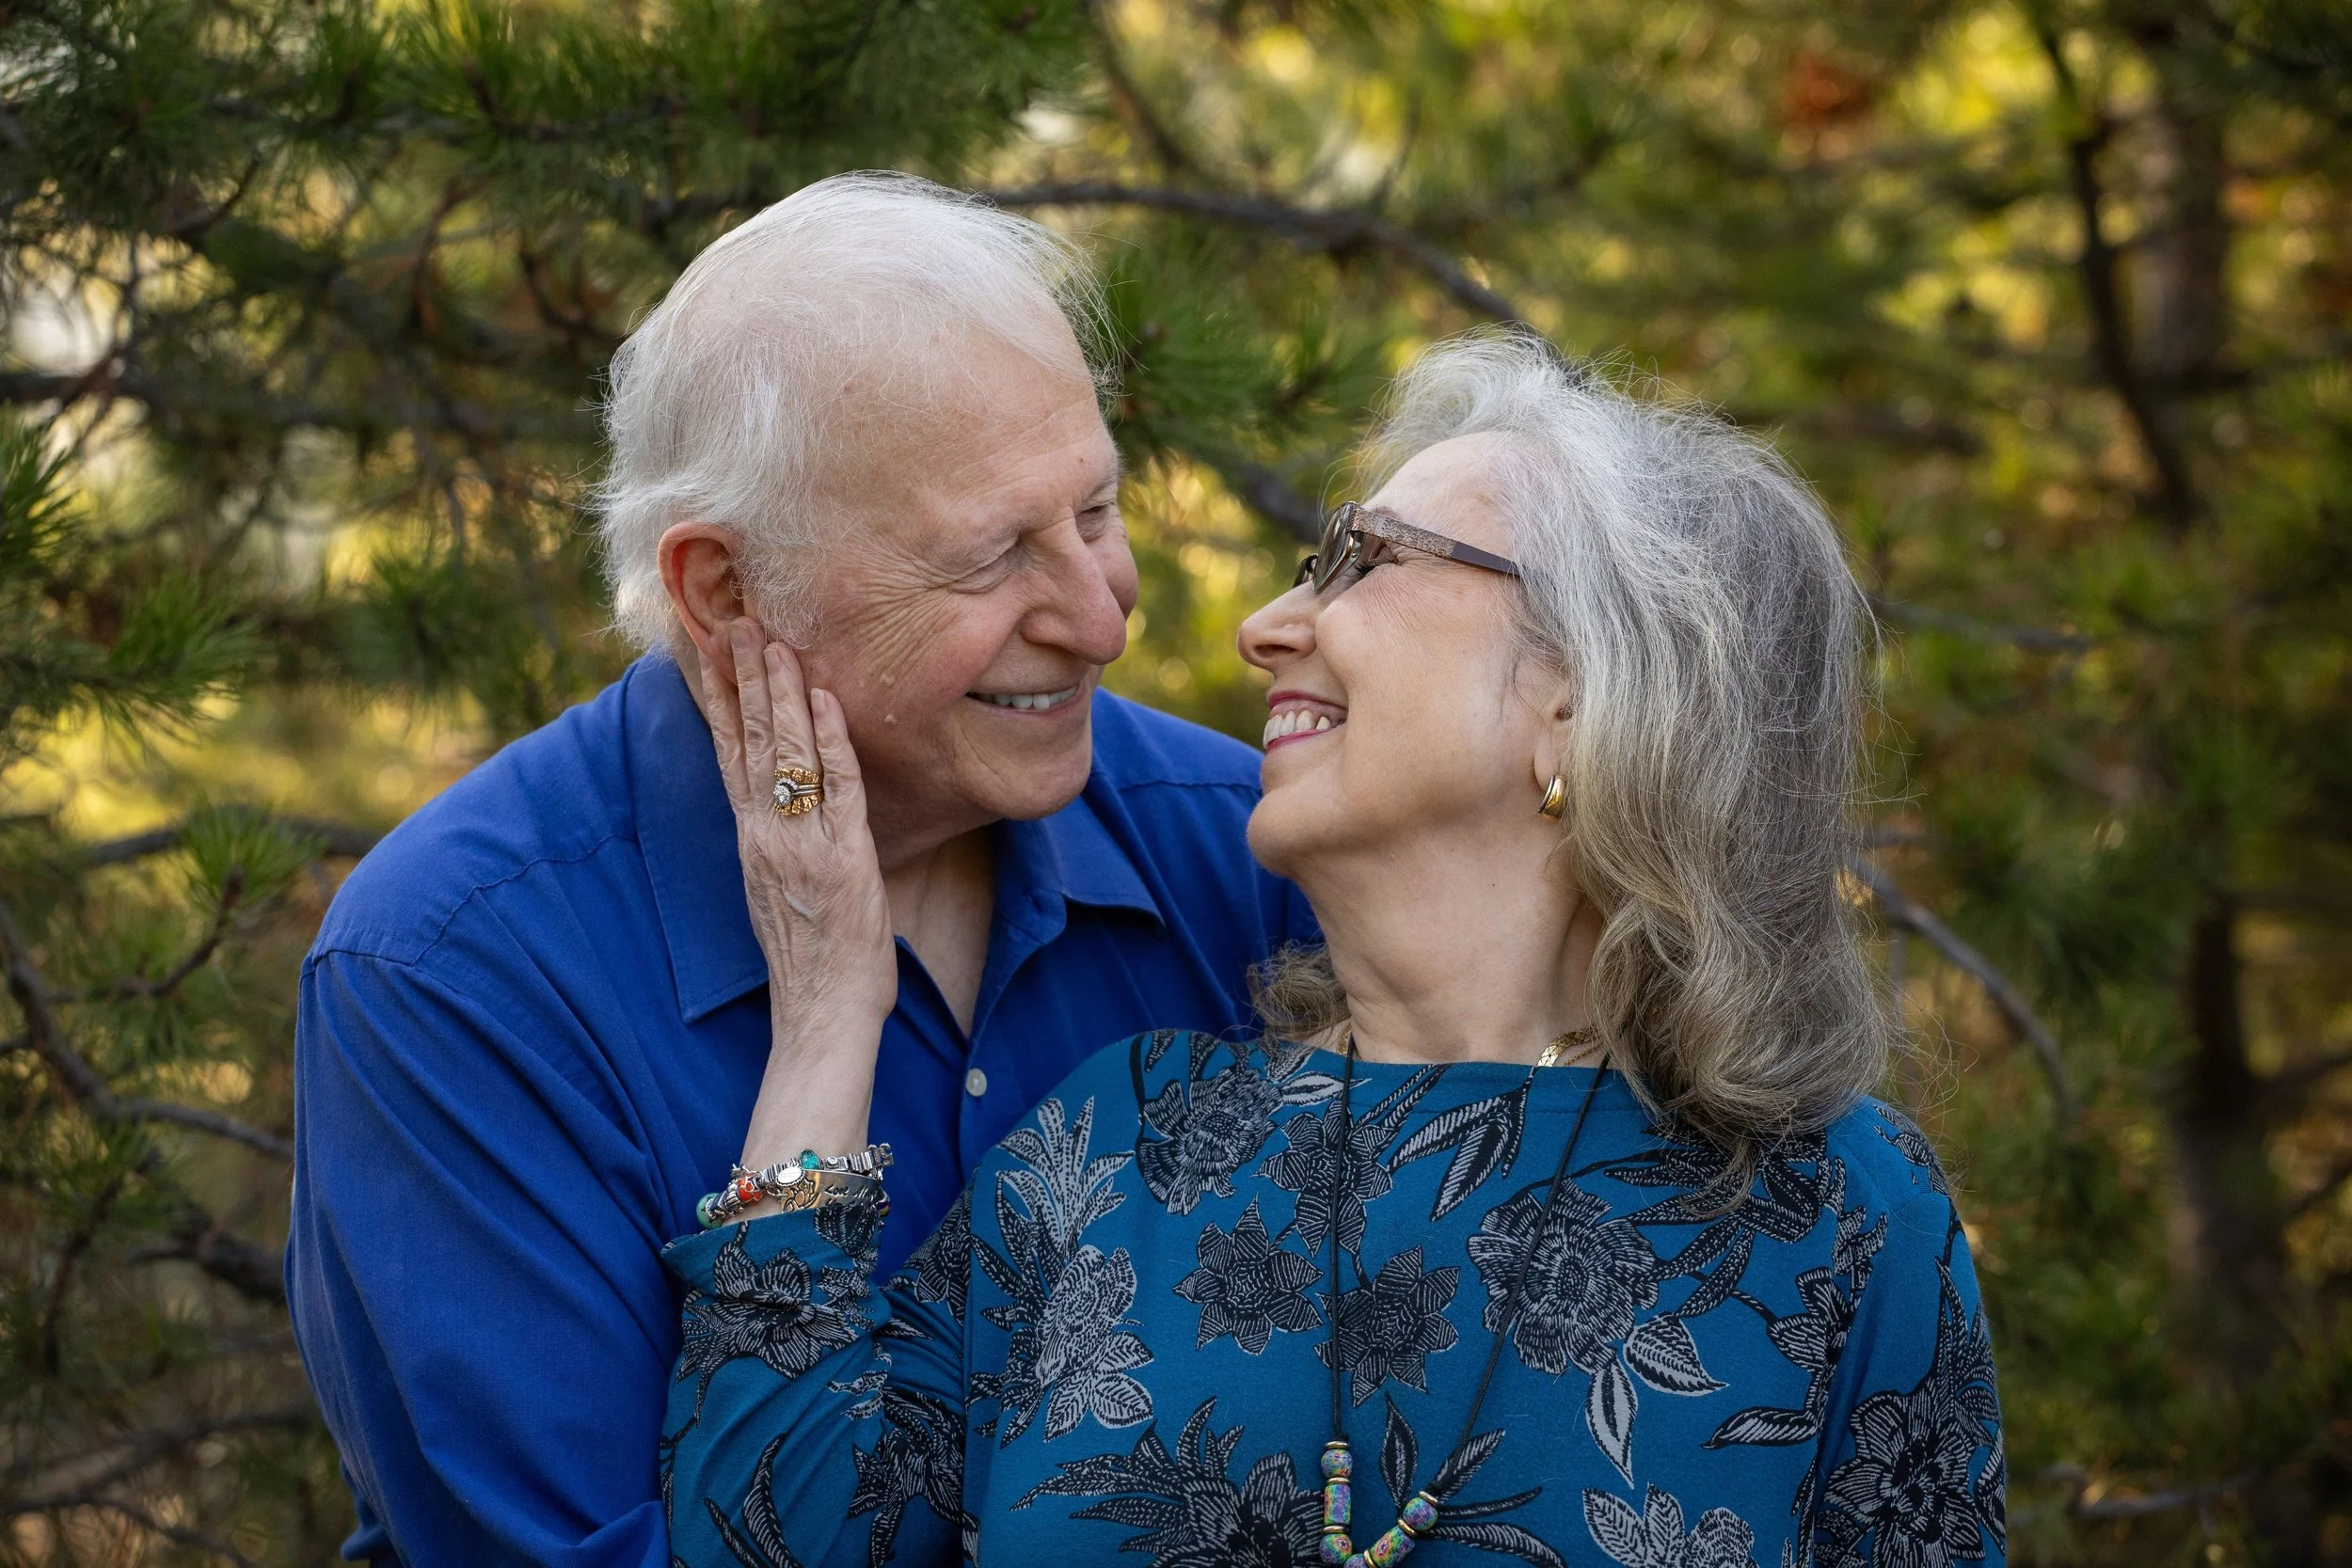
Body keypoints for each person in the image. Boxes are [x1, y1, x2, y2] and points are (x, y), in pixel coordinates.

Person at [660, 331, 2007, 1567]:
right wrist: (832, 1008)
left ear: (1583, 699)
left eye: (1365, 562)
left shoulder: (1835, 1216)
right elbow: (774, 1540)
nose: (1267, 627)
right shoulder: (1121, 1148)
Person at [284, 174, 1315, 1566]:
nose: (1098, 615)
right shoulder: (452, 977)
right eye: (995, 552)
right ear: (725, 589)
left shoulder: (1244, 847)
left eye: (1099, 510)